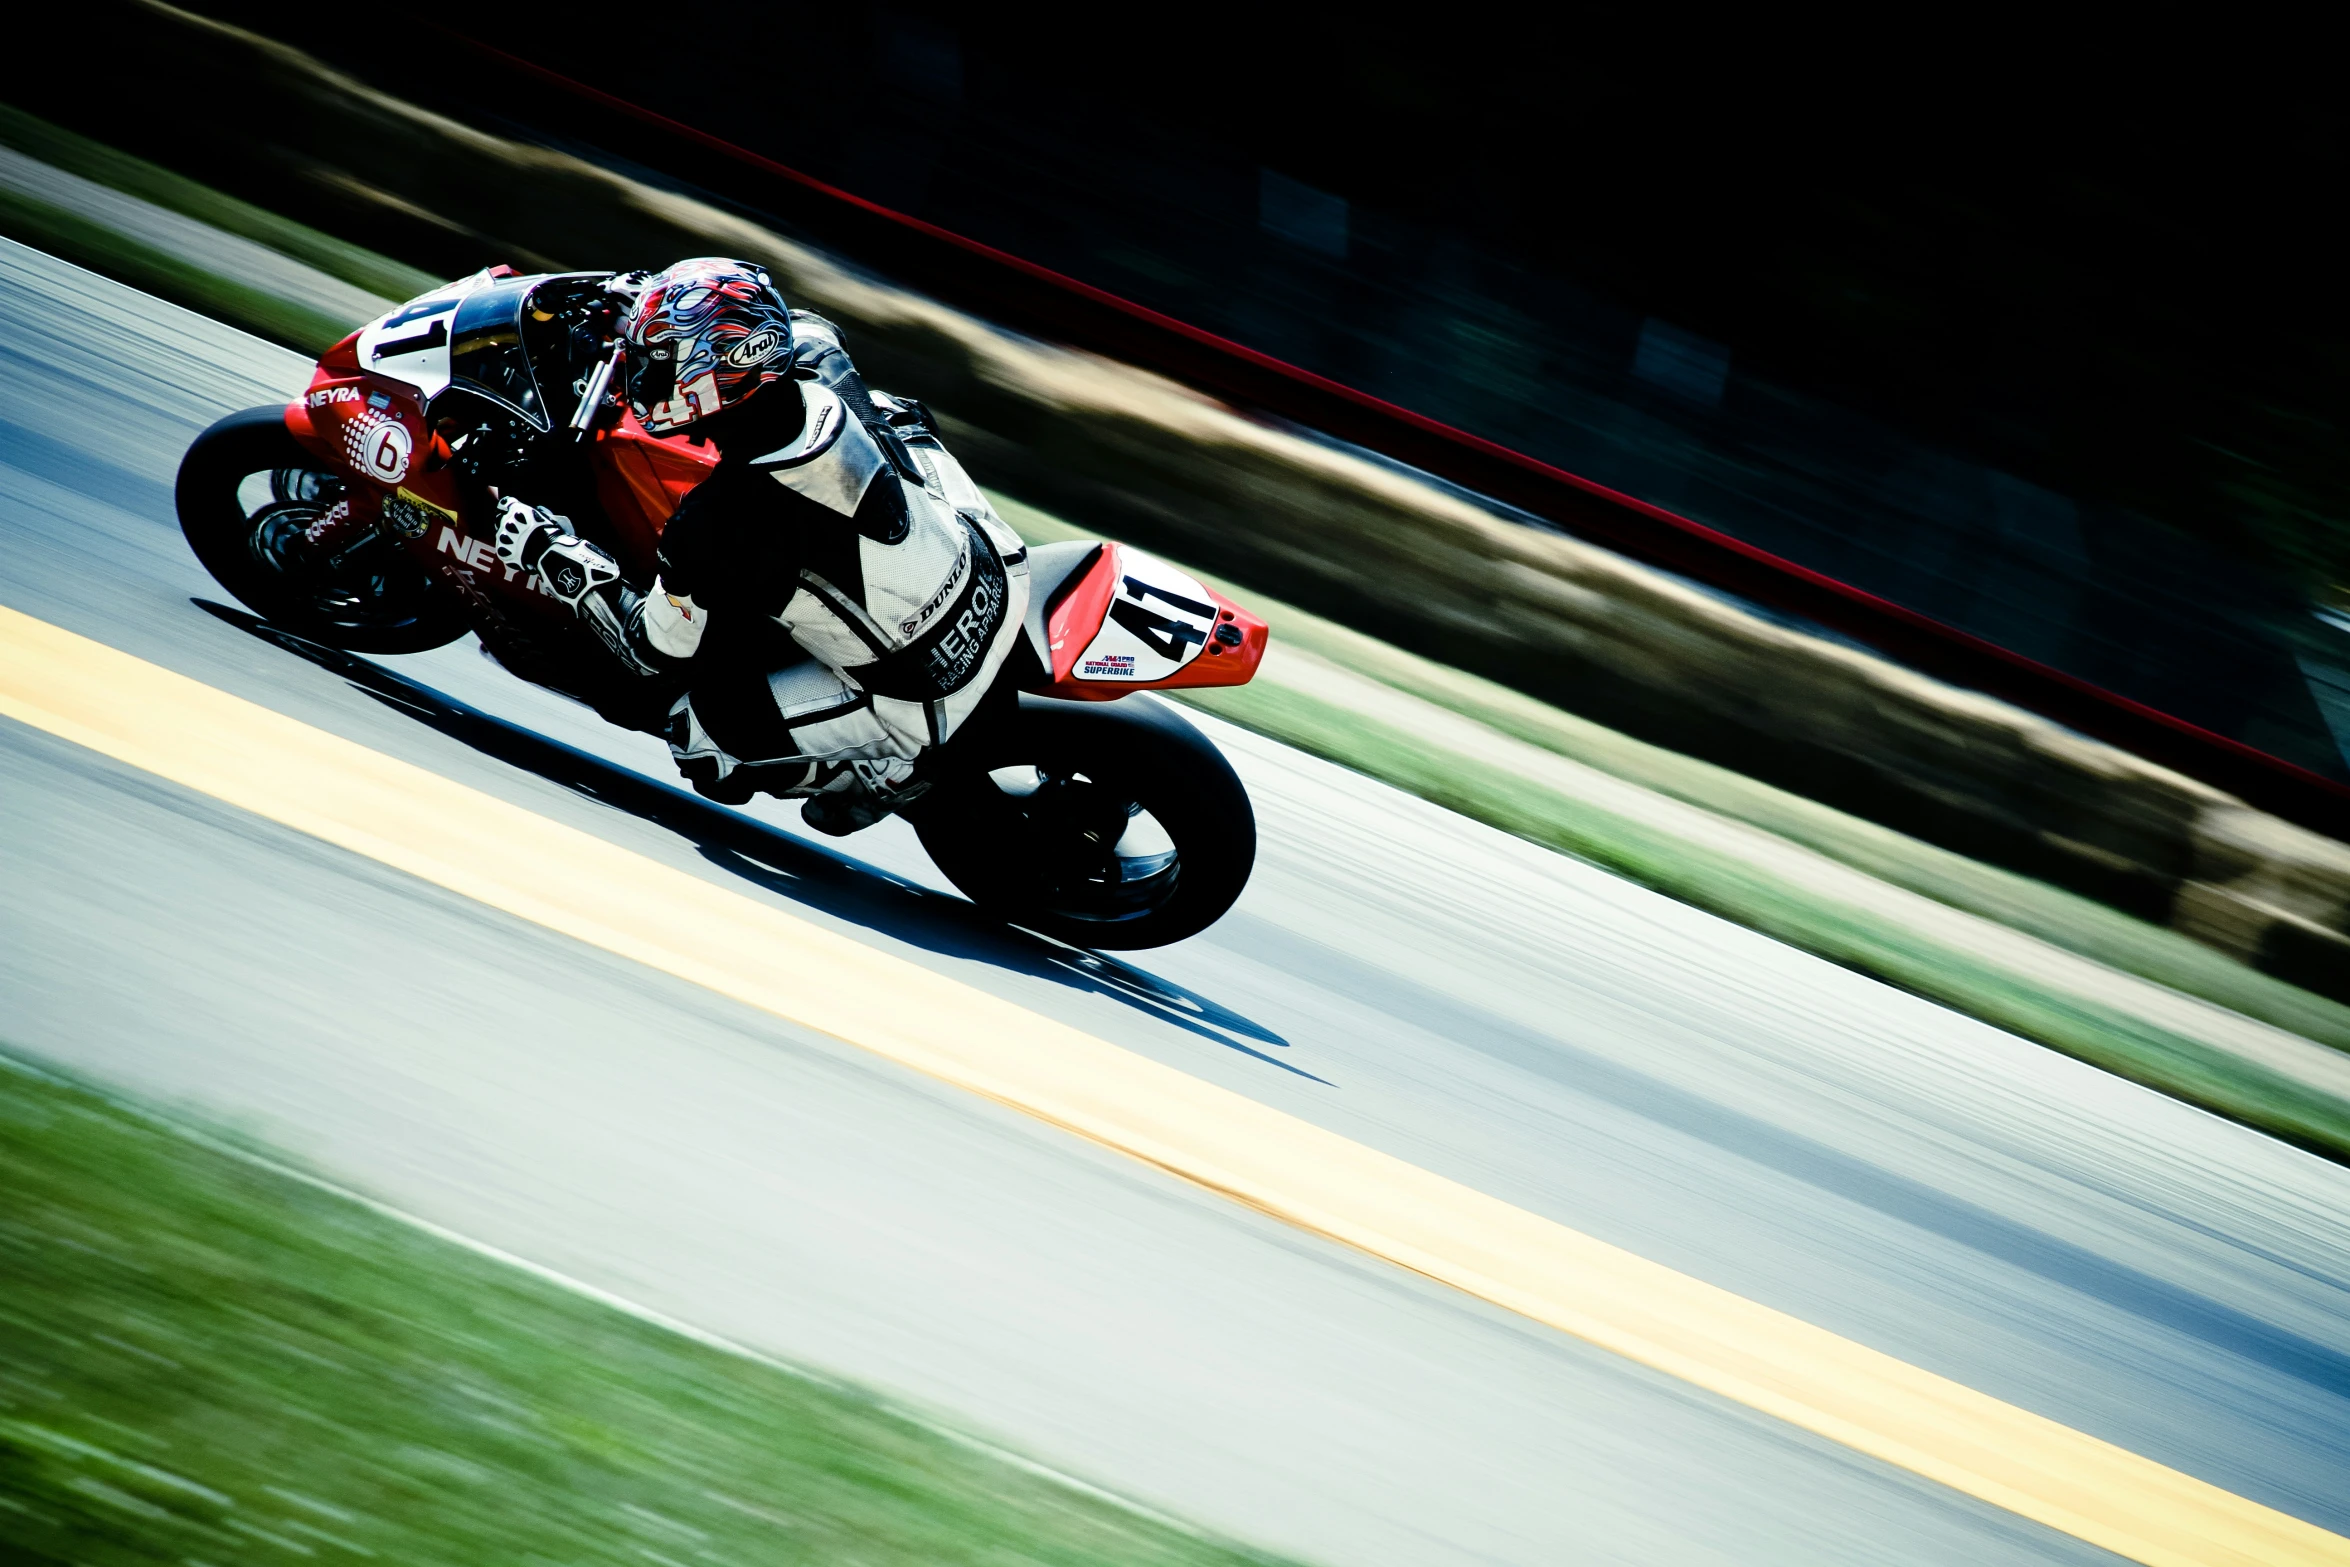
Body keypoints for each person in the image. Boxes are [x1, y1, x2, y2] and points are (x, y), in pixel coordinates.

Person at [491, 258, 1031, 835]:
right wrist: (649, 307)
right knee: (897, 417)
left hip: (924, 688)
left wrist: (550, 554)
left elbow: (653, 650)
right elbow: (790, 323)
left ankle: (887, 772)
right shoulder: (816, 357)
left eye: (661, 363)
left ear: (712, 375)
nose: (644, 376)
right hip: (997, 571)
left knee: (701, 741)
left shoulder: (716, 523)